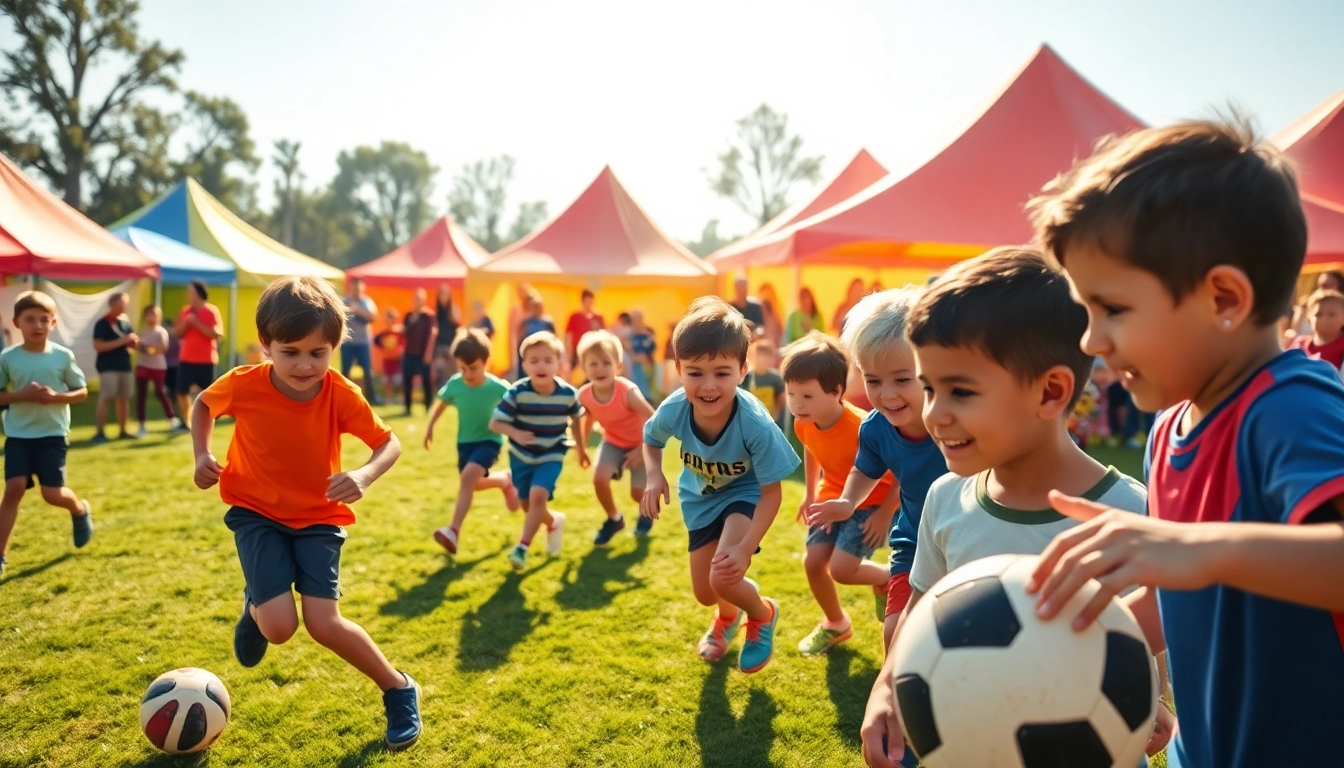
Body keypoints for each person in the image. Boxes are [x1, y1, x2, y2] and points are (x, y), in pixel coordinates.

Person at [1024, 119, 1344, 768]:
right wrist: (1092, 656)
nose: (1090, 341)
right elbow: (1185, 593)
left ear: (1223, 298)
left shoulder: (1290, 408)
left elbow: (1204, 559)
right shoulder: (1170, 426)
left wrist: (1199, 548)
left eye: (1111, 309)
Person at [858, 248, 1158, 768]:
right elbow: (922, 607)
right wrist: (887, 684)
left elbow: (1148, 656)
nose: (935, 415)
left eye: (960, 391)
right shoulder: (945, 497)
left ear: (1051, 391)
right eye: (929, 388)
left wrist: (1149, 703)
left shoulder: (1132, 517)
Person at [189, 276, 420, 750]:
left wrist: (364, 475)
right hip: (255, 511)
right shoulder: (244, 384)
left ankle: (399, 689)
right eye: (290, 351)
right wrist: (200, 455)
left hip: (319, 517)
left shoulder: (340, 393)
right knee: (279, 628)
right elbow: (203, 405)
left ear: (334, 348)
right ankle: (257, 608)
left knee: (322, 624)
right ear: (266, 346)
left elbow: (388, 442)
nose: (304, 364)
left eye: (318, 353)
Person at [642, 297, 799, 673]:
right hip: (698, 501)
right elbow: (651, 439)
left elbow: (772, 492)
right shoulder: (674, 408)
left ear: (743, 369)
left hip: (744, 496)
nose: (708, 386)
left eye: (722, 373)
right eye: (695, 373)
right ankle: (727, 620)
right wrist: (653, 474)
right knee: (705, 592)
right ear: (678, 369)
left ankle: (762, 614)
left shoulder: (755, 424)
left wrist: (745, 548)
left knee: (724, 573)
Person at [810, 287, 946, 652]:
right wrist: (848, 503)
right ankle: (896, 703)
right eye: (873, 380)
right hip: (914, 544)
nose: (886, 394)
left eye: (902, 379)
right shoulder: (875, 427)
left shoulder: (956, 423)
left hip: (969, 543)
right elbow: (864, 471)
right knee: (895, 635)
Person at [784, 332, 899, 655]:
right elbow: (811, 451)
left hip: (872, 503)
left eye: (806, 395)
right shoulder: (803, 422)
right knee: (813, 563)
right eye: (791, 393)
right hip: (829, 499)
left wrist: (884, 512)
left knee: (843, 570)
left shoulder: (864, 428)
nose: (796, 404)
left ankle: (891, 577)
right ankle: (836, 624)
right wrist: (810, 493)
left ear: (836, 391)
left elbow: (898, 471)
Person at [0, 291, 92, 579]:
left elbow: (81, 392)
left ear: (53, 323)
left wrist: (55, 397)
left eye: (44, 320)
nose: (37, 326)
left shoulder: (62, 357)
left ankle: (78, 510)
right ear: (16, 322)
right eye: (30, 319)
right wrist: (21, 395)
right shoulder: (8, 357)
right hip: (18, 435)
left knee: (51, 494)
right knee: (13, 489)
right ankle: (0, 555)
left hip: (52, 434)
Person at [490, 331, 587, 572]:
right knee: (527, 504)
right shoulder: (517, 392)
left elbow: (577, 420)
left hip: (552, 454)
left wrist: (582, 450)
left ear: (559, 364)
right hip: (521, 456)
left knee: (537, 497)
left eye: (547, 360)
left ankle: (521, 548)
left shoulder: (568, 394)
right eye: (534, 361)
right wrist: (515, 433)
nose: (540, 366)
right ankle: (553, 522)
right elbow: (496, 423)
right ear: (524, 365)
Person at [424, 327, 520, 555]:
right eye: (463, 369)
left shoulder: (499, 387)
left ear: (486, 362)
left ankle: (453, 530)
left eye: (473, 368)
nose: (468, 374)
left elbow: (518, 405)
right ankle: (504, 481)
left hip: (490, 441)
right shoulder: (456, 384)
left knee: (468, 477)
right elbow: (442, 404)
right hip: (464, 443)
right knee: (473, 484)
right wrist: (429, 427)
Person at [576, 330, 655, 545]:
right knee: (599, 478)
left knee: (638, 494)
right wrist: (582, 449)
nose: (600, 369)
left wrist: (641, 450)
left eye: (606, 363)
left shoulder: (627, 392)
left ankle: (646, 513)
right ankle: (614, 519)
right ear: (584, 368)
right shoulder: (584, 394)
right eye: (593, 364)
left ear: (618, 366)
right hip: (613, 441)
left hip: (643, 443)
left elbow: (654, 419)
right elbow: (586, 419)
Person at [173, 280, 223, 432]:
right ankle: (186, 421)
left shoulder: (211, 311)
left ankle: (207, 420)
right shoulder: (185, 311)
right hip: (186, 359)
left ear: (199, 293)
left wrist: (197, 324)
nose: (188, 294)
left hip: (206, 360)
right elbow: (177, 333)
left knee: (208, 393)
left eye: (190, 291)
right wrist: (186, 324)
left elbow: (217, 334)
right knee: (181, 391)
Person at [92, 291, 138, 442]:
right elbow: (98, 346)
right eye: (122, 303)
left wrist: (133, 343)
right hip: (108, 367)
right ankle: (100, 432)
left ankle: (123, 430)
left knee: (124, 399)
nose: (125, 306)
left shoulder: (125, 323)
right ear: (113, 304)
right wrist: (123, 341)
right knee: (106, 398)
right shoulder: (102, 323)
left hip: (124, 366)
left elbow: (131, 345)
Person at [134, 304, 175, 436]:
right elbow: (137, 346)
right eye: (150, 313)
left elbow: (162, 347)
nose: (153, 316)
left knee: (161, 393)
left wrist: (148, 348)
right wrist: (145, 347)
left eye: (156, 314)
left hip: (158, 366)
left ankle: (171, 419)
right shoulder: (141, 331)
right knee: (141, 395)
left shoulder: (161, 332)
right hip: (143, 366)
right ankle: (141, 425)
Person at [1288, 288, 1344, 372]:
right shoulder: (1299, 345)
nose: (1324, 319)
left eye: (1332, 314)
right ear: (1309, 318)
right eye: (1318, 314)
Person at [401, 289, 437, 416]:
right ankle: (407, 408)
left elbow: (432, 335)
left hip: (423, 354)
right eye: (416, 299)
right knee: (407, 381)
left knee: (426, 381)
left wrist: (428, 353)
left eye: (420, 299)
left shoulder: (429, 316)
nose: (417, 302)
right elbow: (404, 332)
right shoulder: (409, 316)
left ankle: (428, 407)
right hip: (409, 352)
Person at [341, 277, 378, 402]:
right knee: (346, 371)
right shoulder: (344, 301)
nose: (356, 290)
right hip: (348, 342)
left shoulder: (367, 302)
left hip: (363, 342)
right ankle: (343, 397)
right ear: (350, 287)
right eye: (354, 288)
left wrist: (357, 310)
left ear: (362, 288)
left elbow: (373, 317)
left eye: (359, 288)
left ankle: (371, 398)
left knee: (367, 371)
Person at [740, 338, 785, 426]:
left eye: (767, 356)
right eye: (760, 356)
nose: (763, 360)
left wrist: (774, 418)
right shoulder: (745, 377)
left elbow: (781, 401)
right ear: (751, 357)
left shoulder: (776, 378)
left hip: (772, 421)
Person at [515, 292, 556, 380]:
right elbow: (519, 337)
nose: (537, 309)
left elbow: (554, 338)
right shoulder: (526, 322)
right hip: (529, 353)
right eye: (534, 306)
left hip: (544, 353)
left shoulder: (547, 322)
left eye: (538, 306)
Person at [564, 289, 605, 371]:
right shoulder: (574, 316)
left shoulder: (597, 316)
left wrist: (596, 328)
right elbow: (568, 334)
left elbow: (603, 333)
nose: (589, 305)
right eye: (587, 302)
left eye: (591, 302)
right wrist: (568, 351)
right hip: (576, 349)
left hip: (592, 348)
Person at [373, 310, 405, 408]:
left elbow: (402, 343)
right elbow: (377, 342)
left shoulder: (398, 332)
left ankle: (401, 397)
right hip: (387, 359)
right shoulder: (384, 333)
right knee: (388, 380)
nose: (388, 322)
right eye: (386, 320)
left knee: (399, 379)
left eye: (390, 320)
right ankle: (389, 398)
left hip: (397, 358)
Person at [431, 284, 460, 388]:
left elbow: (458, 328)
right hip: (439, 347)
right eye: (441, 294)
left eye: (446, 294)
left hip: (451, 347)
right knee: (439, 372)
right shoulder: (435, 312)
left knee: (452, 374)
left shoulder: (453, 311)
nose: (443, 297)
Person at [628, 309, 657, 400]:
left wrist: (630, 353)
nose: (633, 322)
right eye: (632, 319)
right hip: (633, 374)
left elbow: (642, 358)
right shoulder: (630, 336)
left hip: (644, 372)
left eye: (635, 319)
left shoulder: (647, 337)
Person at [164, 318, 182, 429]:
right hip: (166, 368)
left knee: (177, 393)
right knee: (170, 394)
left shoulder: (178, 339)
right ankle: (173, 415)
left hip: (177, 368)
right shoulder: (165, 339)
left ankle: (179, 416)